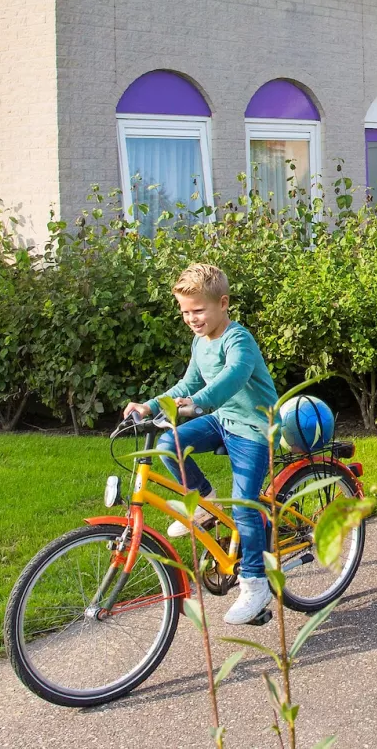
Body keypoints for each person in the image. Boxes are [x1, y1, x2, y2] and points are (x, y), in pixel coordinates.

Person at [123, 263, 278, 625]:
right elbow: (187, 384)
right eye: (184, 312)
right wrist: (150, 405)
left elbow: (233, 376)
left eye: (198, 310)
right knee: (167, 444)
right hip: (223, 420)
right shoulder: (200, 341)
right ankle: (204, 502)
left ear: (222, 304)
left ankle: (255, 583)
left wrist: (200, 403)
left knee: (244, 506)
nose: (191, 318)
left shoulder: (237, 339)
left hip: (255, 428)